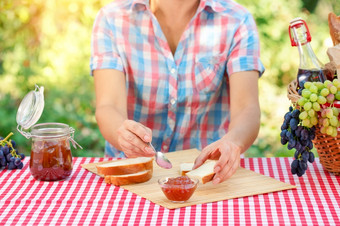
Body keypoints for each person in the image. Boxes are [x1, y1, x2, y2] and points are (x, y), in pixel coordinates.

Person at [90, 0, 265, 184]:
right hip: (133, 174)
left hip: (211, 177)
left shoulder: (237, 20)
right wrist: (123, 134)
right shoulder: (112, 19)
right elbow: (108, 106)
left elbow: (247, 108)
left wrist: (233, 142)